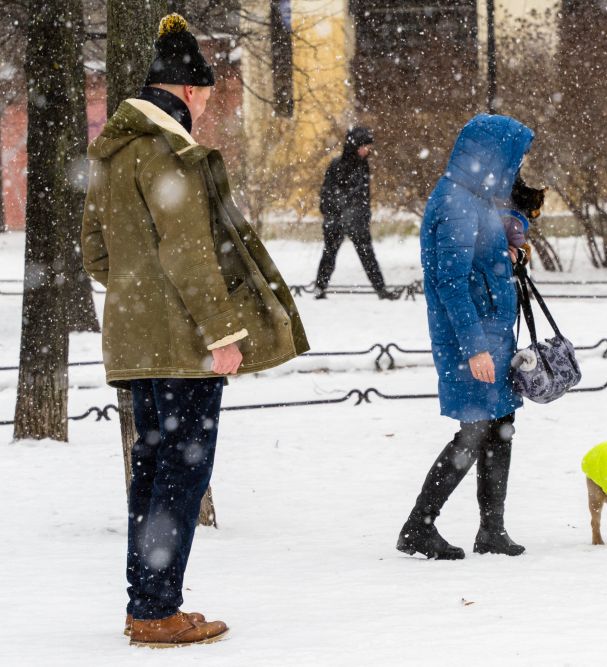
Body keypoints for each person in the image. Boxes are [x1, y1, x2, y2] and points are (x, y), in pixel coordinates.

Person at [81, 13, 309, 647]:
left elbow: (95, 258)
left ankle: (144, 603)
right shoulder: (170, 153)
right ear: (186, 90)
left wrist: (141, 300)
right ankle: (156, 611)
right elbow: (189, 253)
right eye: (205, 94)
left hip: (135, 345)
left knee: (152, 470)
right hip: (184, 348)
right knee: (181, 474)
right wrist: (220, 332)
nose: (206, 107)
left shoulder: (110, 153)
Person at [397, 114, 534, 560]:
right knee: (474, 431)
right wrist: (475, 347)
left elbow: (474, 264)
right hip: (471, 342)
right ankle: (419, 526)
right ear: (492, 156)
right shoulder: (456, 202)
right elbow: (449, 281)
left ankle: (491, 530)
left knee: (501, 429)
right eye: (514, 158)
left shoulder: (472, 198)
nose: (516, 169)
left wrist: (505, 252)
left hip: (492, 335)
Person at [315, 127, 397, 300]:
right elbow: (327, 194)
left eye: (369, 147)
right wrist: (335, 215)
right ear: (355, 146)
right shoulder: (338, 165)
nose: (368, 150)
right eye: (365, 146)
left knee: (368, 256)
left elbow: (363, 196)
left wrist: (363, 214)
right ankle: (319, 288)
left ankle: (381, 290)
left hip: (357, 221)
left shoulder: (363, 166)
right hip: (337, 221)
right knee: (329, 255)